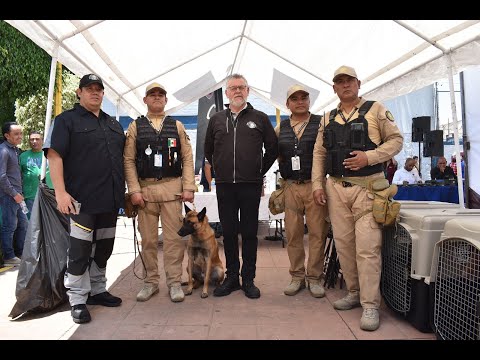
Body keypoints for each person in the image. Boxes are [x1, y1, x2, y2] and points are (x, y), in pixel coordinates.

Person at [312, 65, 403, 331]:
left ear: (358, 83)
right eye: (340, 82)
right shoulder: (327, 117)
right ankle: (353, 293)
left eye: (349, 81)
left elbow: (396, 141)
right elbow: (319, 154)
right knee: (344, 245)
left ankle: (371, 305)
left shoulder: (376, 109)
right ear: (334, 88)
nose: (345, 85)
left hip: (368, 189)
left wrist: (369, 157)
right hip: (336, 189)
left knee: (367, 248)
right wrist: (318, 185)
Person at [45, 74, 125, 324]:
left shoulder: (113, 124)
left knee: (104, 248)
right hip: (80, 201)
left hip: (110, 200)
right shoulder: (65, 120)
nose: (95, 93)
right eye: (89, 89)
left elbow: (123, 160)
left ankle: (98, 290)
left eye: (99, 90)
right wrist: (60, 192)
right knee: (79, 251)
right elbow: (55, 156)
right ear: (79, 92)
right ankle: (78, 298)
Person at [204, 74, 278, 299]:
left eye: (241, 87)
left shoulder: (261, 118)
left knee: (248, 234)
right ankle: (232, 278)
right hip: (225, 187)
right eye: (233, 88)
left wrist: (258, 171)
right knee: (228, 233)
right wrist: (220, 170)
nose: (237, 91)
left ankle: (248, 279)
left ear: (248, 91)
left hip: (250, 186)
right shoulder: (216, 119)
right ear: (226, 93)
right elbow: (208, 150)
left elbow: (272, 149)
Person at [124, 82, 196, 303]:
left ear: (166, 100)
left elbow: (187, 158)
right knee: (148, 240)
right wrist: (134, 190)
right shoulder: (135, 126)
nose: (156, 97)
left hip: (172, 190)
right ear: (145, 100)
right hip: (145, 192)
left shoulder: (177, 125)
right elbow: (128, 160)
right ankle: (150, 282)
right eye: (152, 95)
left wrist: (188, 187)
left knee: (174, 240)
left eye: (160, 95)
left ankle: (174, 282)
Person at [275, 85, 329, 298]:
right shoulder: (280, 128)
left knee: (317, 234)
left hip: (315, 186)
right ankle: (297, 276)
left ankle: (314, 277)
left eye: (303, 98)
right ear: (287, 103)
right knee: (293, 234)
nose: (299, 101)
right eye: (294, 98)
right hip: (290, 186)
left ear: (309, 101)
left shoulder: (321, 123)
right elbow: (275, 154)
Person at [0, 122, 28, 266]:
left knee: (23, 224)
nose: (20, 136)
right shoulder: (4, 150)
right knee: (9, 226)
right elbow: (2, 177)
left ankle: (20, 253)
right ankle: (9, 257)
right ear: (7, 136)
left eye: (20, 133)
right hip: (9, 196)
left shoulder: (16, 150)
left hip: (18, 196)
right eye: (16, 134)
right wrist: (14, 194)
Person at [19, 131, 53, 218]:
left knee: (47, 221)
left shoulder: (50, 154)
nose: (34, 141)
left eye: (37, 139)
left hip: (48, 194)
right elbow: (19, 176)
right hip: (30, 196)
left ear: (42, 140)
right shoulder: (23, 156)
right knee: (31, 223)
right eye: (32, 139)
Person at [200, 157, 223, 238]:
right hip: (212, 184)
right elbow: (207, 167)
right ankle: (213, 230)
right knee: (211, 208)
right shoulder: (211, 147)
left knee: (216, 207)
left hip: (220, 183)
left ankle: (218, 230)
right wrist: (210, 185)